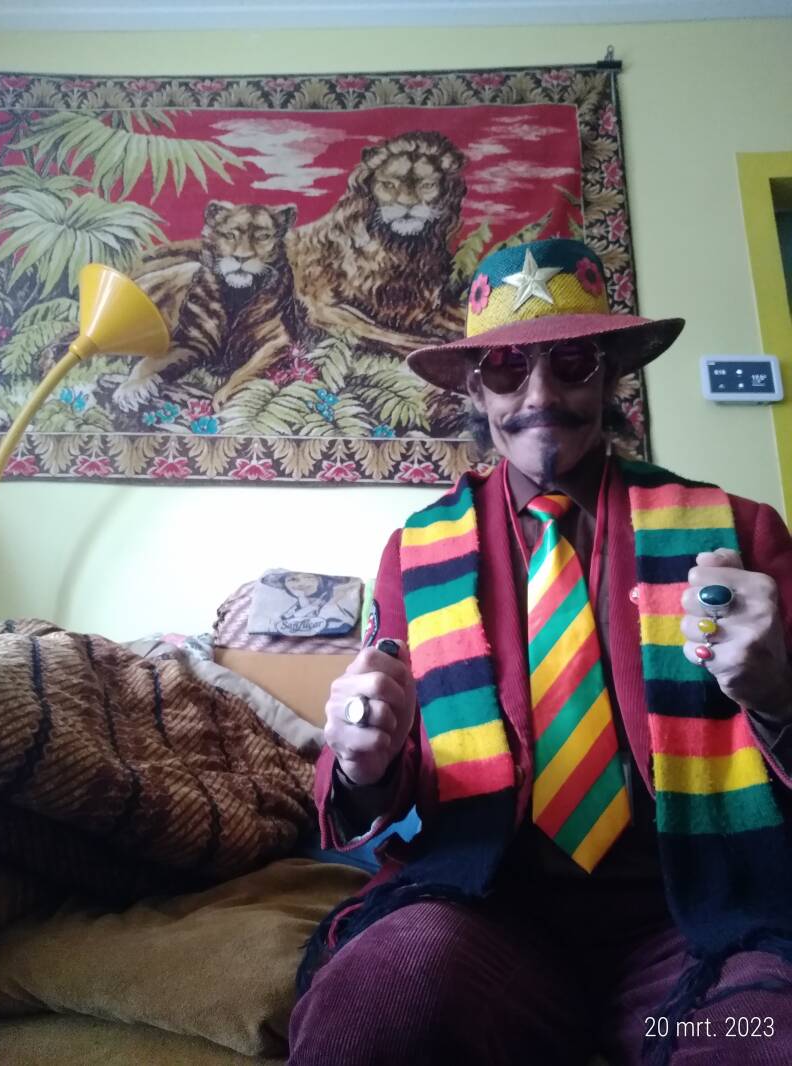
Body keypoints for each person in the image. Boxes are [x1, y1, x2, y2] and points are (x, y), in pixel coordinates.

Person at [288, 239, 792, 1066]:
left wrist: (776, 696)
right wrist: (362, 761)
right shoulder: (416, 554)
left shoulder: (741, 533)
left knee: (764, 1040)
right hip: (489, 909)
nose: (540, 396)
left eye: (572, 363)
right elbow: (384, 771)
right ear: (472, 388)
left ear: (610, 375)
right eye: (505, 369)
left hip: (698, 915)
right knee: (374, 1007)